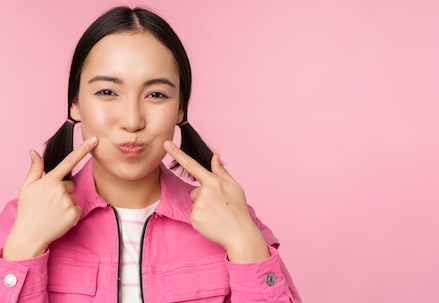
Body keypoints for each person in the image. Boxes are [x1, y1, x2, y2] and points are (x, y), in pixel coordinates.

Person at [0, 6, 300, 303]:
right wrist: (24, 247)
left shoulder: (231, 217)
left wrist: (245, 244)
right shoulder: (21, 220)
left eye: (156, 95)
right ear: (75, 103)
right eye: (107, 92)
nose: (132, 120)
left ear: (180, 107)